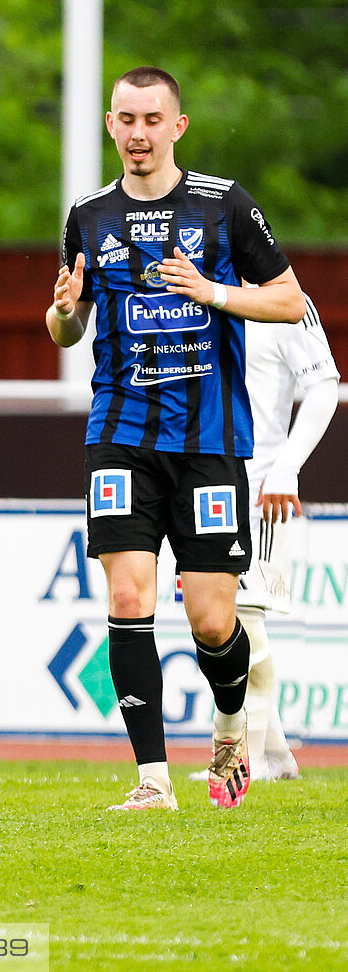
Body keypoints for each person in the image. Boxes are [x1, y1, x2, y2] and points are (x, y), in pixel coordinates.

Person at [47, 66, 306, 812]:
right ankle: (152, 779)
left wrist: (213, 292)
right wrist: (65, 312)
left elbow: (289, 300)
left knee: (212, 618)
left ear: (178, 126)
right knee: (129, 597)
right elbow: (66, 329)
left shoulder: (223, 206)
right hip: (119, 432)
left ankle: (230, 723)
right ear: (109, 124)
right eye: (126, 119)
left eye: (152, 119)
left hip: (210, 440)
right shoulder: (89, 216)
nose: (138, 133)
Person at [186, 294, 337, 784]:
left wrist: (287, 469)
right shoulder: (192, 291)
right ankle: (277, 758)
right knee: (220, 624)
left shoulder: (286, 300)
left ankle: (241, 761)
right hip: (199, 485)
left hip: (260, 491)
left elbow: (324, 386)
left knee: (244, 621)